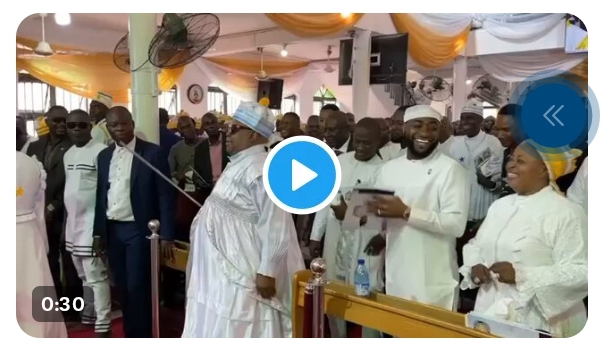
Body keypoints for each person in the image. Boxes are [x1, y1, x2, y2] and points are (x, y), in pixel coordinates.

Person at [182, 101, 305, 338]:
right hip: (220, 271)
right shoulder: (240, 162)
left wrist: (267, 271)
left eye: (235, 128)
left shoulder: (264, 168)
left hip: (245, 269)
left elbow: (276, 223)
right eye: (228, 127)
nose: (226, 133)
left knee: (245, 321)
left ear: (253, 134)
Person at [460, 142, 587, 337]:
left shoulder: (566, 212)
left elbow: (582, 271)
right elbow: (476, 245)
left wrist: (522, 275)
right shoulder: (500, 206)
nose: (510, 165)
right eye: (511, 159)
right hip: (488, 310)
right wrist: (474, 266)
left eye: (520, 161)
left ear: (544, 170)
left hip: (536, 320)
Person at [366, 105, 469, 311]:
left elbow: (456, 225)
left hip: (433, 277)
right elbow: (378, 216)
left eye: (433, 127)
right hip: (397, 272)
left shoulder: (450, 169)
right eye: (418, 125)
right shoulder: (388, 170)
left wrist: (407, 212)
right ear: (404, 128)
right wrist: (368, 217)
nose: (425, 133)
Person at [92, 106, 175, 338]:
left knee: (138, 286)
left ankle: (143, 336)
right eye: (114, 125)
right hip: (113, 229)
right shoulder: (104, 156)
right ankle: (131, 334)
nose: (119, 129)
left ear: (132, 123)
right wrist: (98, 233)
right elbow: (101, 196)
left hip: (140, 231)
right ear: (106, 127)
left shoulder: (152, 153)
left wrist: (167, 234)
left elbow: (165, 195)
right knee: (122, 288)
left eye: (124, 124)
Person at [310, 118, 385, 338]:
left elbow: (382, 215)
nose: (360, 148)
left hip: (364, 245)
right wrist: (316, 235)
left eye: (367, 144)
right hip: (335, 240)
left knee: (367, 298)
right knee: (333, 295)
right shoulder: (340, 162)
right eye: (357, 141)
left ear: (378, 142)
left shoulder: (384, 170)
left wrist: (348, 214)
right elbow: (325, 201)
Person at [27, 106, 80, 316]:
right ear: (47, 121)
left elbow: (72, 183)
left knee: (69, 261)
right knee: (48, 259)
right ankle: (54, 303)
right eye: (56, 120)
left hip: (66, 212)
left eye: (64, 121)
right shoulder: (34, 146)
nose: (61, 125)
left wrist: (53, 206)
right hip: (39, 212)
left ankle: (73, 307)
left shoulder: (74, 146)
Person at [63, 109, 112, 336]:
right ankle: (89, 313)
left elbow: (105, 191)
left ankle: (103, 322)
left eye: (81, 125)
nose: (76, 130)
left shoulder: (101, 152)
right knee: (82, 275)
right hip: (73, 224)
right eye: (72, 125)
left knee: (96, 275)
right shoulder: (69, 153)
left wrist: (99, 232)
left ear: (90, 125)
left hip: (91, 224)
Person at [17, 151, 68, 338]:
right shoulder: (31, 164)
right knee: (34, 280)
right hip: (28, 232)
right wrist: (43, 240)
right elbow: (39, 206)